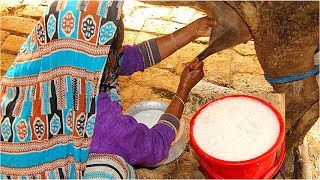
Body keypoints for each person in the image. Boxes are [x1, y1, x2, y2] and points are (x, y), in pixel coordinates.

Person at [0, 0, 216, 179]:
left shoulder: (47, 61)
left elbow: (134, 57)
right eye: (116, 48)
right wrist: (182, 92)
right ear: (104, 53)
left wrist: (192, 31)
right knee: (116, 168)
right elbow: (154, 147)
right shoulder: (92, 114)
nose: (121, 52)